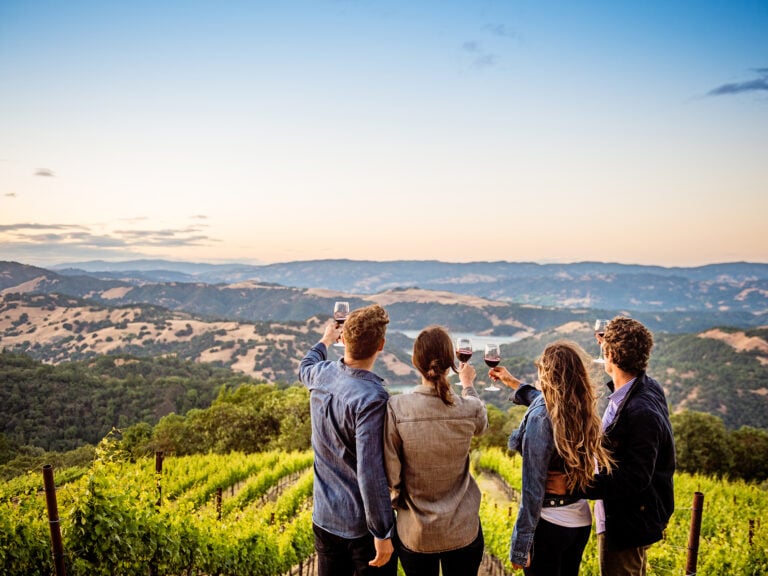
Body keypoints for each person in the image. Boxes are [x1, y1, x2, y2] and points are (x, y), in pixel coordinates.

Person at [548, 317, 676, 576]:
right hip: (625, 515)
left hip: (627, 522)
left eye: (605, 348)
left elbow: (635, 478)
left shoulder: (641, 412)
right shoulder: (644, 388)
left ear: (611, 354)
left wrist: (575, 486)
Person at [490, 340, 614, 575]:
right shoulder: (581, 406)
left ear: (547, 376)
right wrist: (512, 382)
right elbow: (538, 397)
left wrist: (521, 544)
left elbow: (532, 488)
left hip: (549, 524)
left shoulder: (541, 418)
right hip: (578, 523)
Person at [299, 303, 397, 576]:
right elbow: (370, 471)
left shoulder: (321, 374)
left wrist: (325, 340)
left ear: (343, 340)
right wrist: (382, 531)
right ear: (381, 345)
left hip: (324, 518)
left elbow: (304, 365)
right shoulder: (372, 398)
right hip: (360, 528)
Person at [383, 326, 488, 576]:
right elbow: (482, 426)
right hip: (463, 529)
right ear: (451, 362)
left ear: (415, 362)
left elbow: (391, 475)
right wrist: (468, 385)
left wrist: (403, 508)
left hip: (415, 533)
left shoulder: (397, 408)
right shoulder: (468, 407)